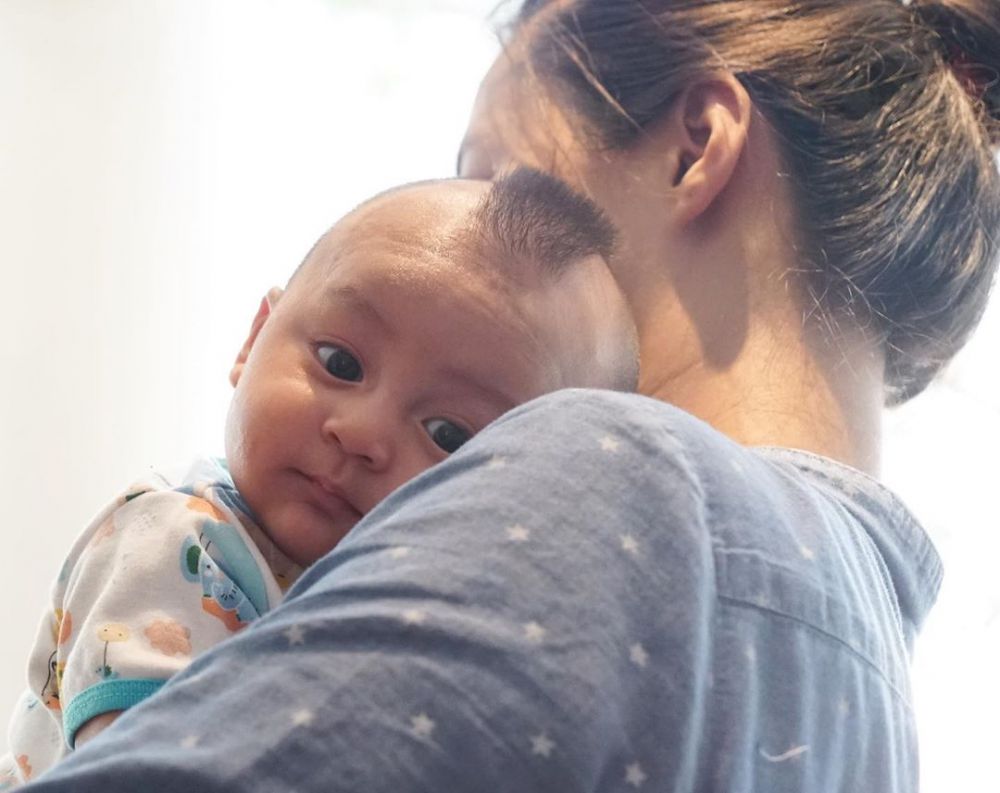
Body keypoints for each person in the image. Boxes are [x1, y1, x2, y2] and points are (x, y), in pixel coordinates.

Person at [15, 0, 1000, 791]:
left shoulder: (613, 476)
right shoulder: (865, 653)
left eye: (491, 180)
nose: (465, 229)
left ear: (695, 148)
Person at [0, 168, 638, 788]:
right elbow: (145, 767)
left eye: (449, 434)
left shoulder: (423, 620)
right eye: (341, 362)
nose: (362, 435)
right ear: (254, 338)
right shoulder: (182, 540)